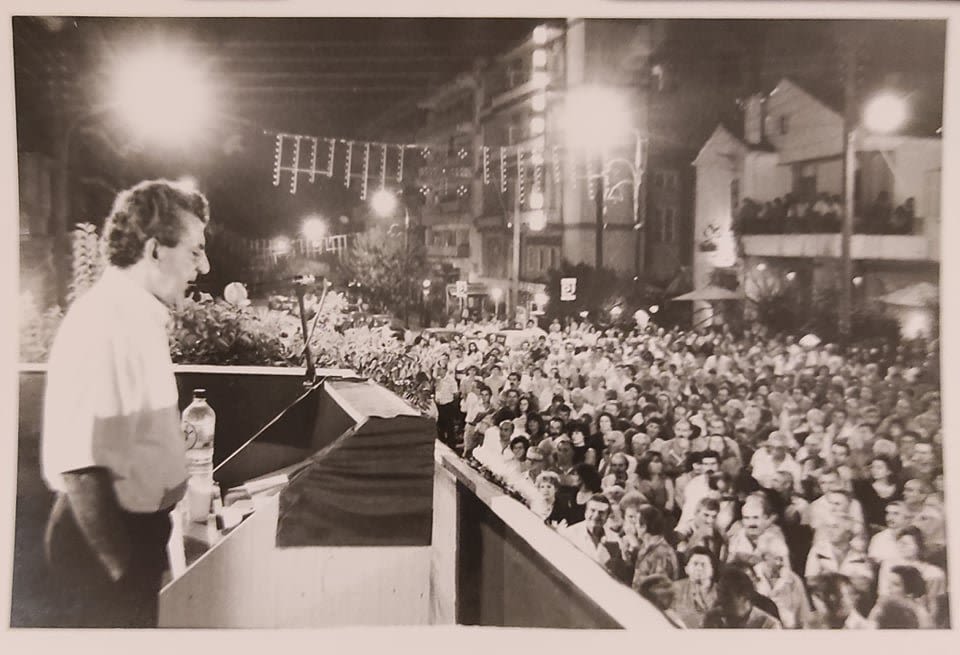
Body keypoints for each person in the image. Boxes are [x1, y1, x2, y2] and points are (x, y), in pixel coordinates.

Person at [42, 179, 211, 627]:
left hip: (129, 536)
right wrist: (125, 575)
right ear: (155, 250)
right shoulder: (106, 321)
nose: (204, 266)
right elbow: (80, 470)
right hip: (104, 548)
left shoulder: (136, 317)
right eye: (195, 252)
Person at [701, 565, 782, 628]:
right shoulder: (711, 619)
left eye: (726, 595)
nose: (720, 600)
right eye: (719, 593)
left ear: (745, 596)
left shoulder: (768, 625)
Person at [670, 546, 718, 628]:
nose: (699, 568)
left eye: (703, 564)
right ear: (686, 569)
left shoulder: (722, 592)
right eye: (695, 564)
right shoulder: (674, 589)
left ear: (712, 570)